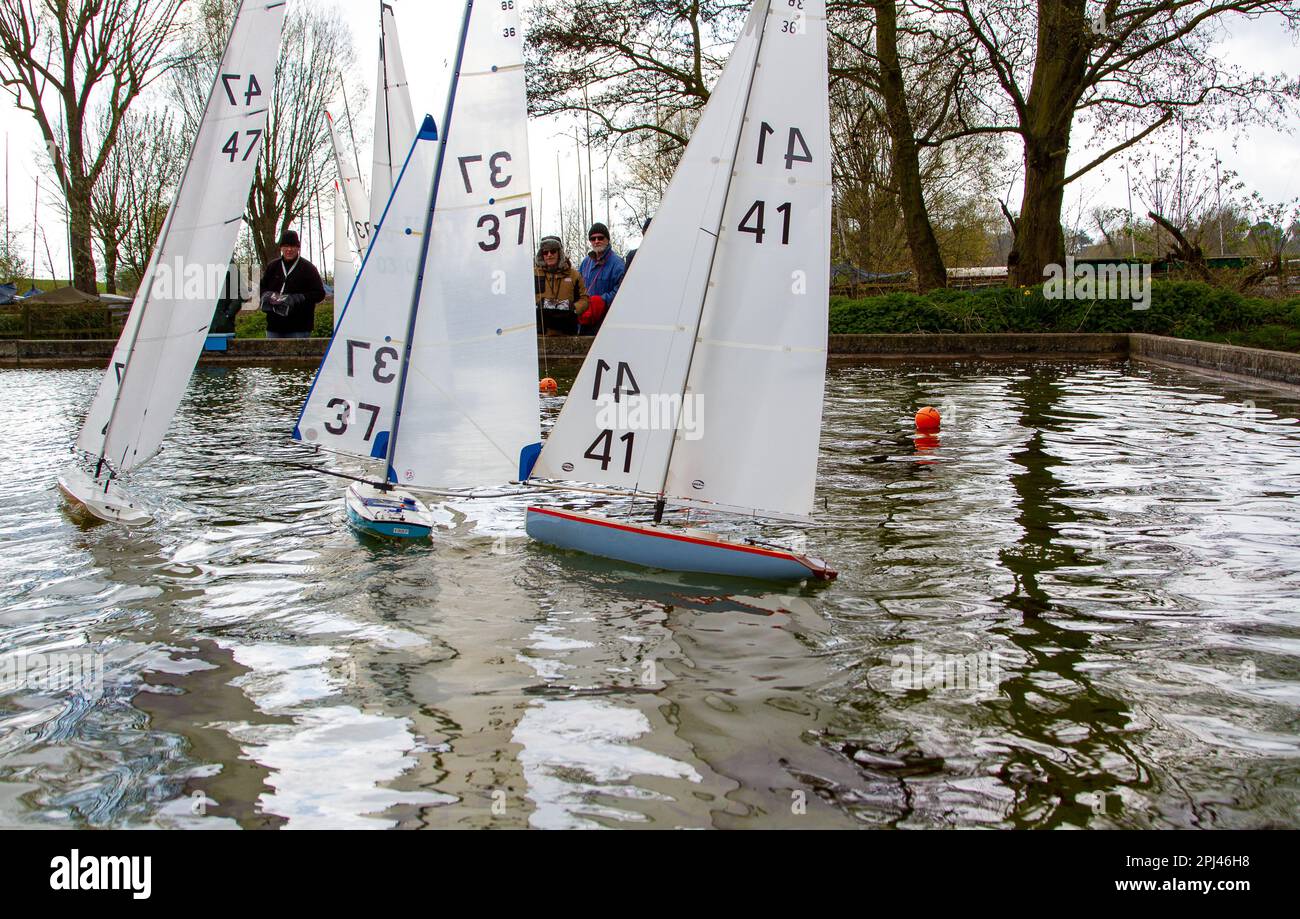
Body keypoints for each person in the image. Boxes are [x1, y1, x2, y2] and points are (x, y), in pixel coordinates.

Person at [259, 230, 325, 339]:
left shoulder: (308, 268)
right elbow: (261, 288)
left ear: (298, 248)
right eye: (285, 246)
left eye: (293, 246)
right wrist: (267, 295)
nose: (289, 249)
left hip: (299, 328)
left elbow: (319, 293)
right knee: (272, 355)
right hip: (274, 327)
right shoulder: (272, 267)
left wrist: (299, 298)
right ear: (281, 248)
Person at [534, 235, 589, 336]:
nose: (549, 255)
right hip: (541, 334)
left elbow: (584, 299)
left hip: (568, 332)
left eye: (553, 251)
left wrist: (573, 308)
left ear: (560, 252)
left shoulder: (574, 275)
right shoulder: (533, 274)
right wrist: (537, 306)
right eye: (545, 252)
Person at [577, 222, 624, 335]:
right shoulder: (585, 262)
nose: (596, 241)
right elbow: (577, 286)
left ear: (607, 239)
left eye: (600, 238)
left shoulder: (618, 264)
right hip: (586, 319)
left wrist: (601, 301)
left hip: (606, 321)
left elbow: (621, 291)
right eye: (593, 239)